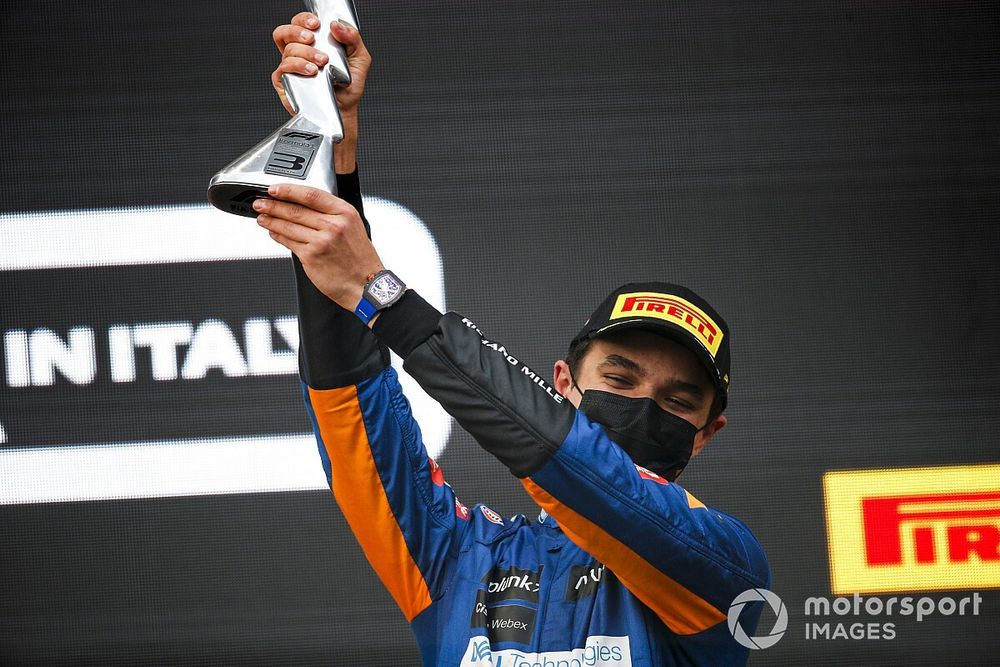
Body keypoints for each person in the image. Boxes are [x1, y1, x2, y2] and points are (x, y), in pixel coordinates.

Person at [261, 13, 770, 665]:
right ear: (564, 384)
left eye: (676, 399)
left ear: (705, 431)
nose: (642, 406)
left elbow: (582, 468)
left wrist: (380, 291)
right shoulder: (459, 560)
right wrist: (333, 158)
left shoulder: (726, 562)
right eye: (618, 379)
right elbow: (355, 424)